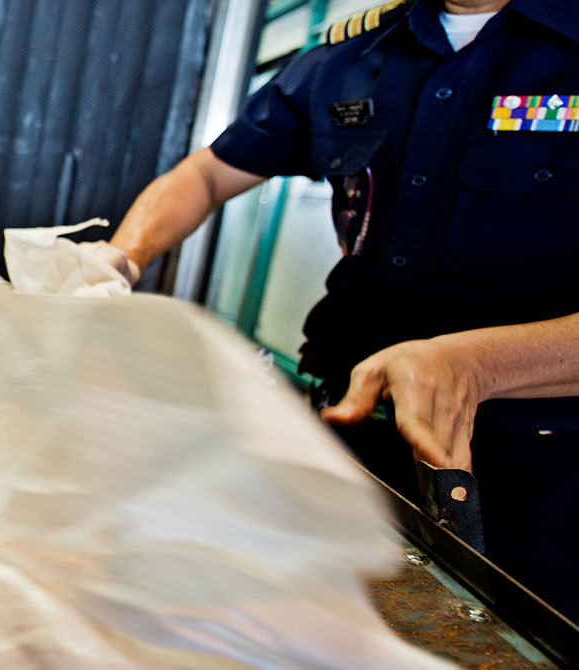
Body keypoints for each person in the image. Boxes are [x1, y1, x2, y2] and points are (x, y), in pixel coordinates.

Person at [104, 0, 579, 617]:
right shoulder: (351, 55)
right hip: (348, 428)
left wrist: (485, 364)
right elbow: (209, 174)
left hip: (537, 468)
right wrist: (119, 259)